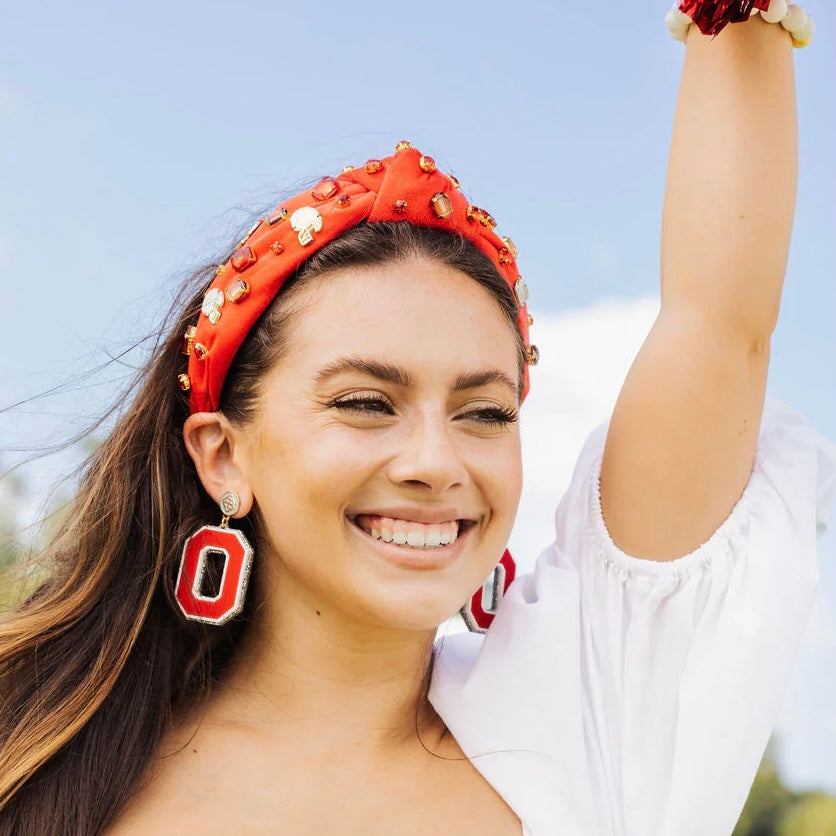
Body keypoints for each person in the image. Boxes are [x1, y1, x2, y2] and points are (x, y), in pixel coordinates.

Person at [0, 5, 833, 835]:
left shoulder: (579, 739)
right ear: (223, 456)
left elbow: (719, 326)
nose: (436, 462)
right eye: (366, 403)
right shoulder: (39, 754)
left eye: (484, 412)